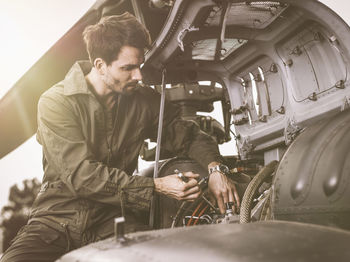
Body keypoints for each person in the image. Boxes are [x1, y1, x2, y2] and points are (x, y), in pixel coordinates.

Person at [1, 13, 239, 262]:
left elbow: (188, 135)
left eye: (140, 65)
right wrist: (157, 186)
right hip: (56, 220)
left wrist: (215, 169)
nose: (138, 76)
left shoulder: (144, 101)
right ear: (100, 65)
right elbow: (82, 175)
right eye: (128, 68)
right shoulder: (55, 102)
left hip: (113, 220)